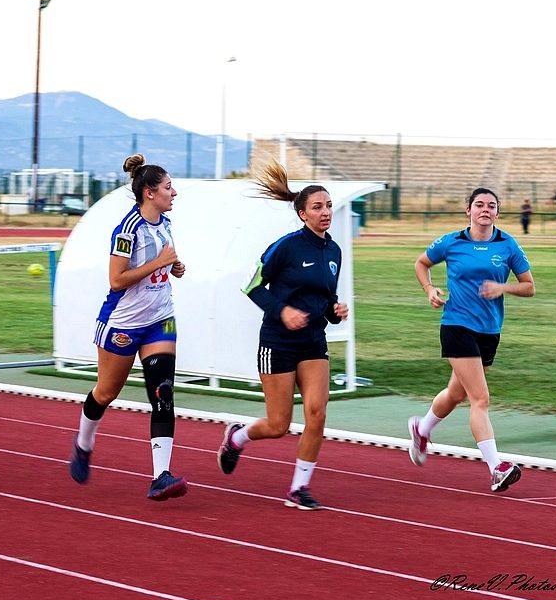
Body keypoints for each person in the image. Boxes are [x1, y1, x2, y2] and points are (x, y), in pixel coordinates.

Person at [216, 160, 349, 511]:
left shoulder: (334, 251)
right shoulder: (286, 247)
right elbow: (252, 286)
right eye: (318, 207)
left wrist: (334, 313)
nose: (326, 212)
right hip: (277, 341)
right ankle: (237, 437)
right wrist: (283, 312)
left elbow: (323, 300)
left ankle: (298, 488)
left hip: (313, 342)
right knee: (278, 425)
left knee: (317, 414)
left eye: (329, 205)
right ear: (303, 214)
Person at [68, 153, 188, 501]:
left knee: (163, 393)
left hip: (160, 320)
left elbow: (162, 265)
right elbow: (116, 279)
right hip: (122, 322)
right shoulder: (126, 230)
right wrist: (158, 262)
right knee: (106, 393)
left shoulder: (165, 224)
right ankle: (83, 443)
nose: (174, 193)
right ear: (150, 192)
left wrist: (174, 267)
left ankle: (160, 476)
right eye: (168, 187)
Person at [407, 187, 535, 492]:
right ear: (469, 210)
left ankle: (421, 429)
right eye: (479, 205)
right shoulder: (451, 242)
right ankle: (497, 467)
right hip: (456, 325)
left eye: (491, 206)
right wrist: (429, 289)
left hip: (489, 330)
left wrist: (503, 288)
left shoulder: (507, 245)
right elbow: (421, 263)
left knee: (456, 393)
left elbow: (529, 286)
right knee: (480, 398)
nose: (485, 210)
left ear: (497, 212)